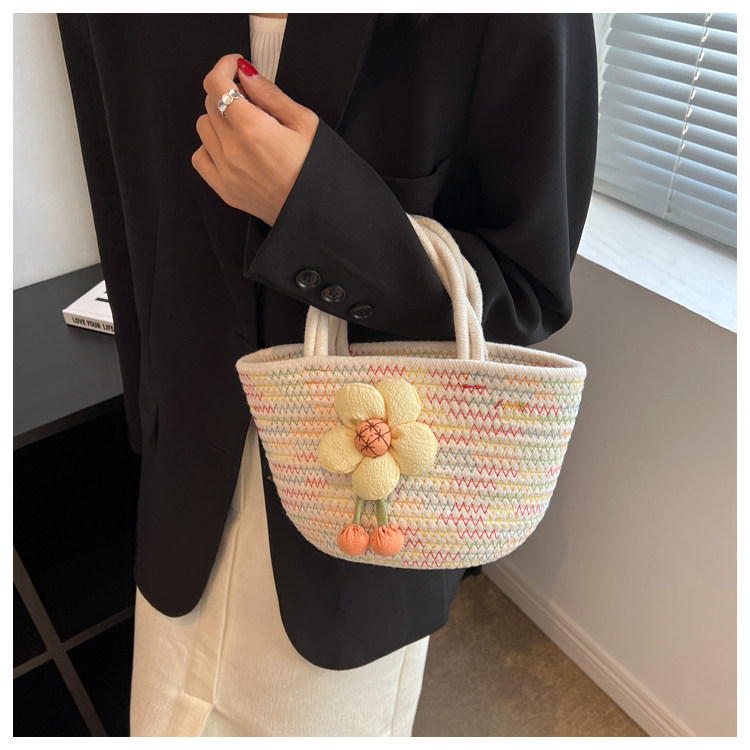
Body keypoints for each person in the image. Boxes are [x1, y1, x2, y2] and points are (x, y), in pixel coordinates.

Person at [57, 12, 598, 736]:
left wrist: (318, 210)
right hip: (182, 487)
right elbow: (122, 202)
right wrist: (149, 420)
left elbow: (527, 290)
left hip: (368, 534)